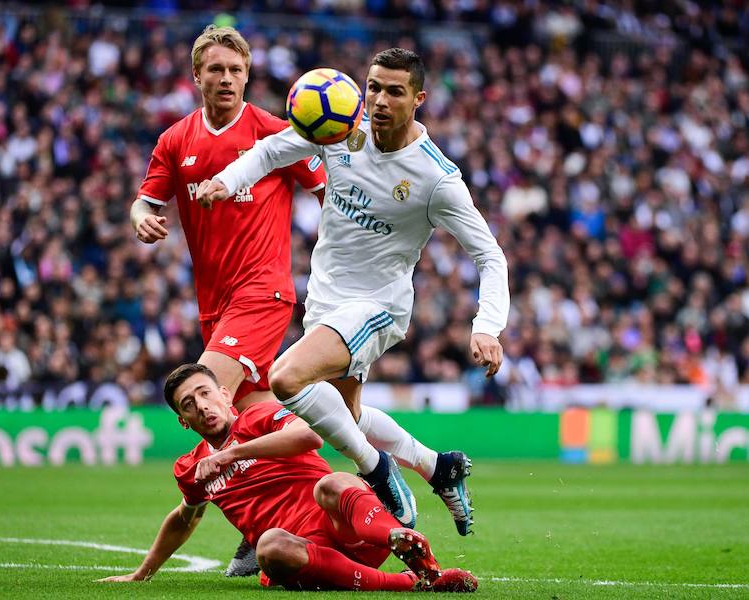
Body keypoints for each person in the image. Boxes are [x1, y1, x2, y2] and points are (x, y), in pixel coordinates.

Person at [196, 48, 511, 537]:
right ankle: (437, 467)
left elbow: (490, 256)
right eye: (374, 87)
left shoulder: (437, 179)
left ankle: (379, 472)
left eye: (395, 92)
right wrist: (226, 179)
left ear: (419, 99)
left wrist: (486, 325)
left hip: (377, 307)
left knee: (286, 380)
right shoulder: (339, 127)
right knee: (348, 418)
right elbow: (272, 150)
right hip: (325, 300)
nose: (379, 100)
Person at [130, 24, 327, 575]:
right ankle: (331, 500)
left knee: (202, 403)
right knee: (260, 419)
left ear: (248, 76)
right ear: (197, 76)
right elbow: (144, 202)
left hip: (263, 293)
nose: (226, 79)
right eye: (215, 69)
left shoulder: (274, 132)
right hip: (214, 305)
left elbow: (328, 191)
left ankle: (251, 529)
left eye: (236, 70)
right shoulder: (176, 140)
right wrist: (143, 218)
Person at [97, 363, 477, 592]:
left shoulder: (258, 417)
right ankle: (417, 582)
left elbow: (310, 435)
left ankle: (398, 539)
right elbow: (184, 517)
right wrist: (141, 573)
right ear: (184, 421)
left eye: (205, 393)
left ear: (225, 394)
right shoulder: (191, 468)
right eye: (189, 405)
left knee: (332, 483)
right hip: (302, 554)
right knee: (268, 546)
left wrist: (233, 452)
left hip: (352, 527)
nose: (202, 406)